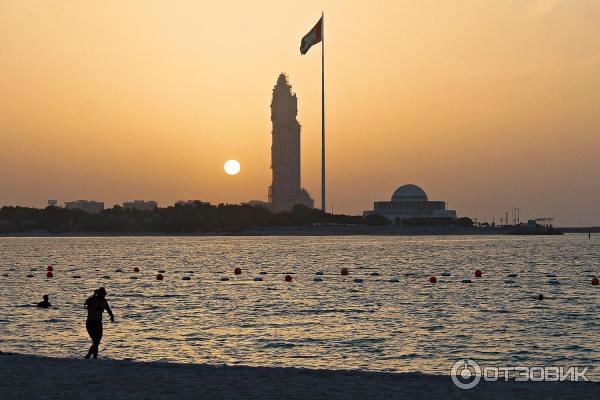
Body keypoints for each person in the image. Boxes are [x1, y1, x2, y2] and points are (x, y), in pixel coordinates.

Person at [84, 287, 114, 359]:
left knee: (97, 341)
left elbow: (108, 309)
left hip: (98, 323)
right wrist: (94, 295)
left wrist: (112, 316)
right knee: (95, 341)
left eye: (104, 295)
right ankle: (94, 357)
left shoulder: (104, 301)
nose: (103, 296)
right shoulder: (92, 299)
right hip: (90, 323)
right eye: (102, 294)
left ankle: (88, 356)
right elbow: (85, 304)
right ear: (99, 294)